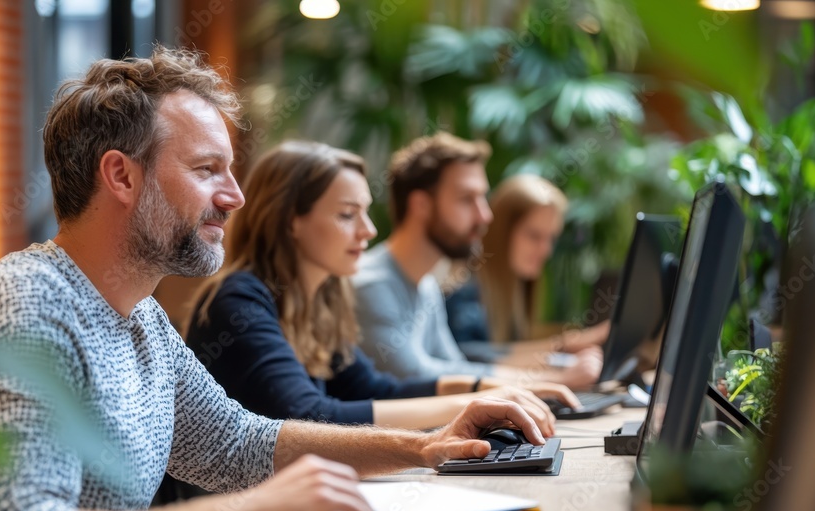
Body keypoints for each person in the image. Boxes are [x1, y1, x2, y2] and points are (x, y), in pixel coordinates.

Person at [0, 48, 546, 511]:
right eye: (207, 170)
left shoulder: (139, 315)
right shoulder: (25, 312)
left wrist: (426, 446)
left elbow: (237, 444)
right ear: (121, 175)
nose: (234, 196)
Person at [187, 141, 579, 435]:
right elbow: (310, 414)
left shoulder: (320, 299)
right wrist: (473, 402)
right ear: (291, 221)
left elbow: (375, 388)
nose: (368, 231)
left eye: (366, 212)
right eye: (346, 214)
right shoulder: (238, 300)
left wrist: (488, 387)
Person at [352, 133, 603, 390]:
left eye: (482, 197)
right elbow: (414, 376)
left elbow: (456, 366)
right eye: (466, 199)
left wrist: (548, 381)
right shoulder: (372, 285)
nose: (485, 215)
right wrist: (552, 380)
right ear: (421, 205)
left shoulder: (426, 285)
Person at [442, 174, 609, 364]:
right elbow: (465, 356)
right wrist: (565, 345)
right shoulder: (465, 289)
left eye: (551, 238)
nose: (546, 250)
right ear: (501, 233)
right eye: (534, 236)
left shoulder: (515, 289)